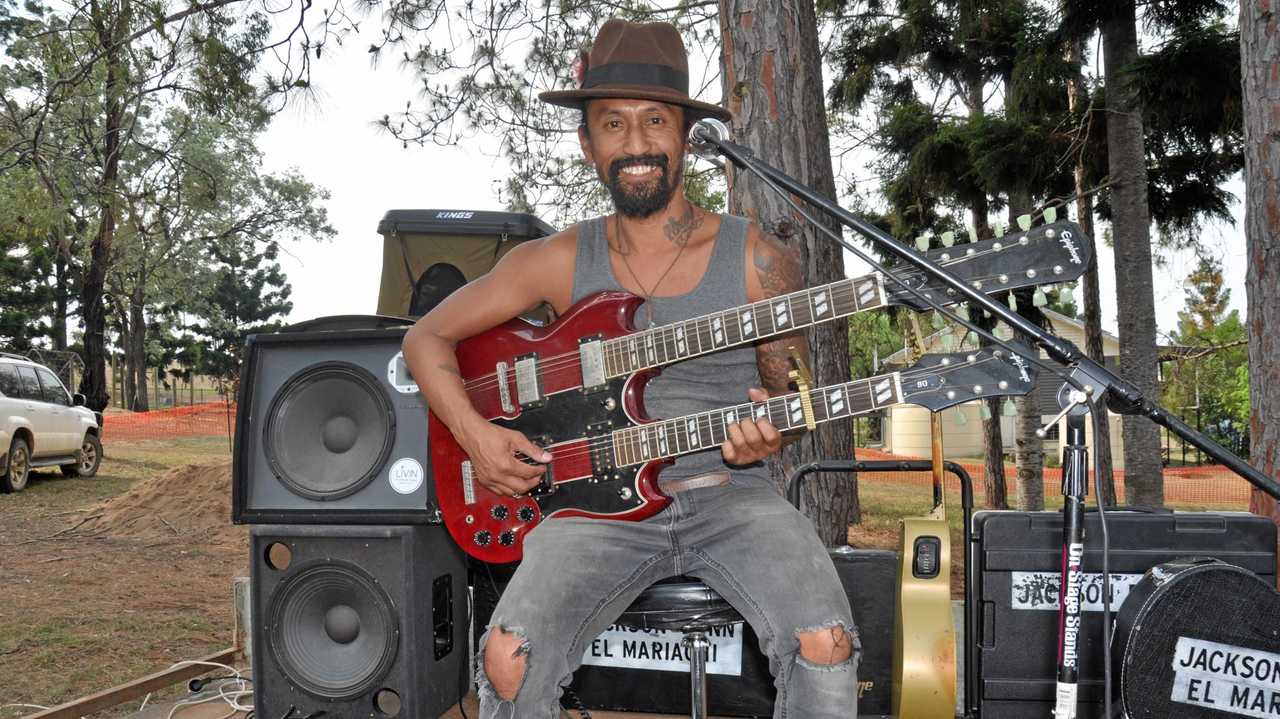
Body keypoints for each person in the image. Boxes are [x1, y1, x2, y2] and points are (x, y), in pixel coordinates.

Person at [402, 18, 860, 718]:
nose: (637, 142)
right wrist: (474, 434)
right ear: (588, 143)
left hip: (733, 494)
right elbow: (426, 338)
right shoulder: (552, 261)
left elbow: (791, 398)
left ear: (684, 136)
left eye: (655, 121)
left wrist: (774, 430)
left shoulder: (762, 260)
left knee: (825, 641)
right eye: (612, 124)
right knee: (506, 658)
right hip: (589, 509)